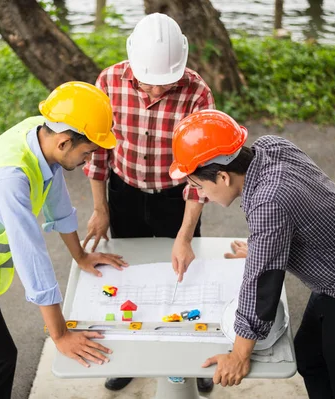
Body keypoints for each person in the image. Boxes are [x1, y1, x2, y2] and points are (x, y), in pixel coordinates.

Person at [0, 82, 128, 399]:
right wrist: (60, 335)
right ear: (64, 142)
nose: (89, 160)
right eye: (87, 152)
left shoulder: (39, 133)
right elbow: (33, 259)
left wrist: (80, 256)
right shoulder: (12, 181)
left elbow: (56, 200)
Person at [170, 109, 335, 398]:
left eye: (198, 186)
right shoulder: (271, 147)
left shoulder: (268, 201)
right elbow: (303, 208)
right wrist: (262, 247)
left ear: (223, 177)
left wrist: (239, 355)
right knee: (310, 359)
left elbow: (262, 283)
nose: (200, 195)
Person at [81, 12, 215, 393]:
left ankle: (196, 357)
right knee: (127, 277)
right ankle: (130, 354)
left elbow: (200, 170)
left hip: (176, 198)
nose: (156, 92)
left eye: (165, 83)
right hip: (123, 193)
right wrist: (100, 208)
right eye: (148, 82)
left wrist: (186, 234)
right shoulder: (108, 81)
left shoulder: (197, 92)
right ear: (132, 62)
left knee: (185, 274)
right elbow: (98, 151)